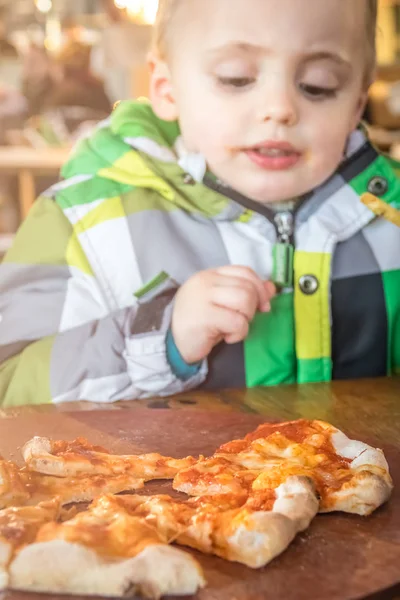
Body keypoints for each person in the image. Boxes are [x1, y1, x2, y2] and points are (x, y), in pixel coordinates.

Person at [1, 0, 399, 408]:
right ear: (166, 89)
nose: (279, 108)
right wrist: (160, 338)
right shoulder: (78, 222)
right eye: (236, 78)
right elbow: (10, 388)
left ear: (356, 104)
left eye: (318, 85)